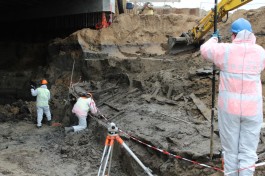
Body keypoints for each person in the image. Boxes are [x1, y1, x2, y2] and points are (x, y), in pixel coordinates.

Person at [200, 18, 265, 176]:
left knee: (231, 152)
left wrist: (214, 38)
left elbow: (204, 49)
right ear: (251, 34)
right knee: (248, 152)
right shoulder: (260, 52)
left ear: (234, 35)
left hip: (229, 110)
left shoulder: (225, 50)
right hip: (252, 111)